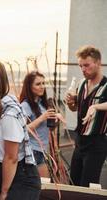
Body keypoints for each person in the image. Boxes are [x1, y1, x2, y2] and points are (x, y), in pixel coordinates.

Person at [0, 60, 41, 200]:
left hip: (20, 176)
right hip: (1, 172)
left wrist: (4, 192)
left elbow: (11, 157)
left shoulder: (9, 113)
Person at [65, 45, 107, 187]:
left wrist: (96, 106)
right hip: (80, 141)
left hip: (97, 142)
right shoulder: (82, 83)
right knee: (74, 184)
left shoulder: (106, 85)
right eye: (80, 66)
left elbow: (95, 106)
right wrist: (70, 103)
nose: (83, 69)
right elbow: (76, 108)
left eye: (87, 65)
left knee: (87, 186)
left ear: (98, 63)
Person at [19, 71, 56, 178]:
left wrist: (54, 121)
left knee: (42, 187)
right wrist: (42, 117)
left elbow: (48, 129)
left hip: (42, 150)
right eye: (38, 84)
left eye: (43, 83)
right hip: (32, 150)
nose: (42, 86)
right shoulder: (25, 105)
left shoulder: (41, 103)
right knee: (41, 186)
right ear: (29, 87)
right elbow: (22, 130)